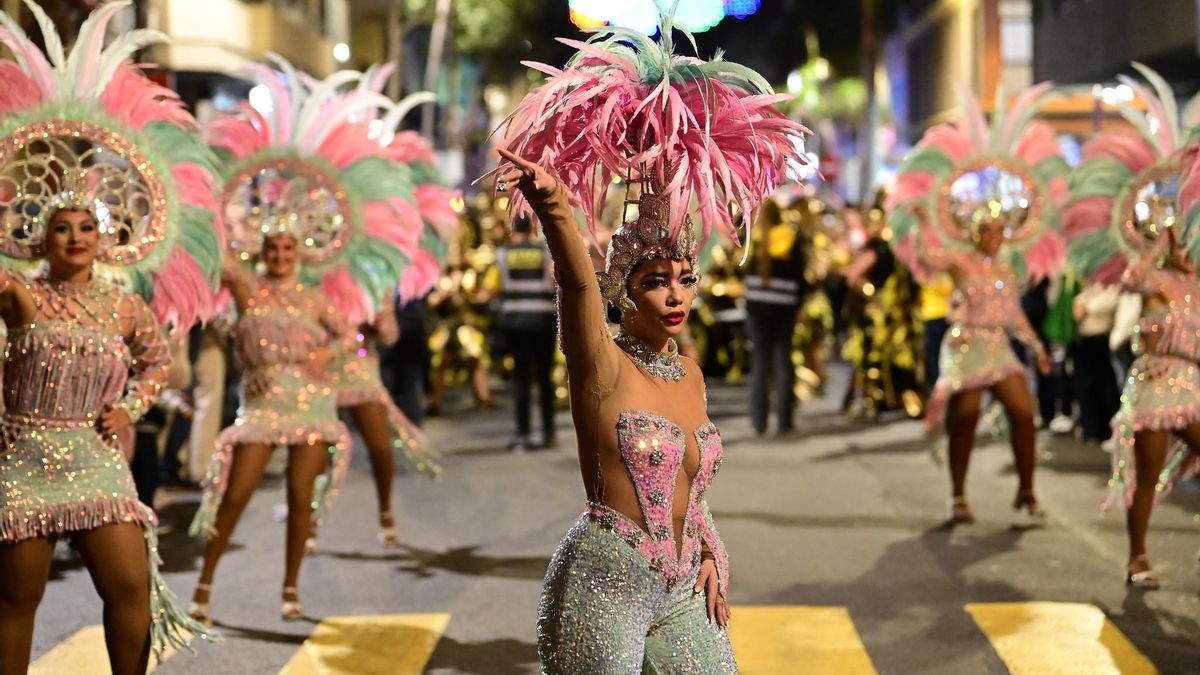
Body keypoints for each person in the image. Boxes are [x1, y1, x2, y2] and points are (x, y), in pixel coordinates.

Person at [494, 10, 806, 670]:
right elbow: (577, 287)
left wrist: (712, 548)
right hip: (603, 584)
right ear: (625, 290)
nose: (675, 295)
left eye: (685, 279)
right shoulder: (599, 364)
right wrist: (556, 213)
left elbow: (693, 490)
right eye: (656, 280)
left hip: (684, 585)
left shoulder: (689, 374)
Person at [0, 3, 221, 670]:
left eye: (86, 228)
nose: (74, 238)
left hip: (95, 455)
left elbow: (158, 365)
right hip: (24, 456)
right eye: (62, 227)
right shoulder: (21, 294)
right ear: (42, 235)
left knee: (129, 585)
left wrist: (130, 405)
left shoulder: (125, 306)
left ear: (105, 238)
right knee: (16, 600)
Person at [190, 57, 432, 619]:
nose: (280, 257)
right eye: (273, 249)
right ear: (263, 251)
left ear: (302, 254)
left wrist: (333, 351)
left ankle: (291, 588)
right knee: (236, 496)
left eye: (288, 250)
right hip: (263, 405)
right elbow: (218, 251)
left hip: (314, 403)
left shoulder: (318, 300)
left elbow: (356, 341)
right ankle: (204, 585)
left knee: (302, 500)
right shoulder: (248, 290)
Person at [486, 217, 560, 450]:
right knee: (545, 379)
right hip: (543, 320)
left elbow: (491, 289)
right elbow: (554, 282)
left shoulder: (503, 254)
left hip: (516, 323)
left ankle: (522, 434)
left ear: (513, 230)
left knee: (521, 380)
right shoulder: (544, 253)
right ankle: (549, 432)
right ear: (531, 228)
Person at [744, 199, 808, 436]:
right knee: (783, 362)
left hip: (757, 309)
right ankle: (784, 421)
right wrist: (799, 304)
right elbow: (801, 278)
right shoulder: (791, 239)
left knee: (760, 364)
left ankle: (759, 422)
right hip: (785, 309)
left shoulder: (754, 239)